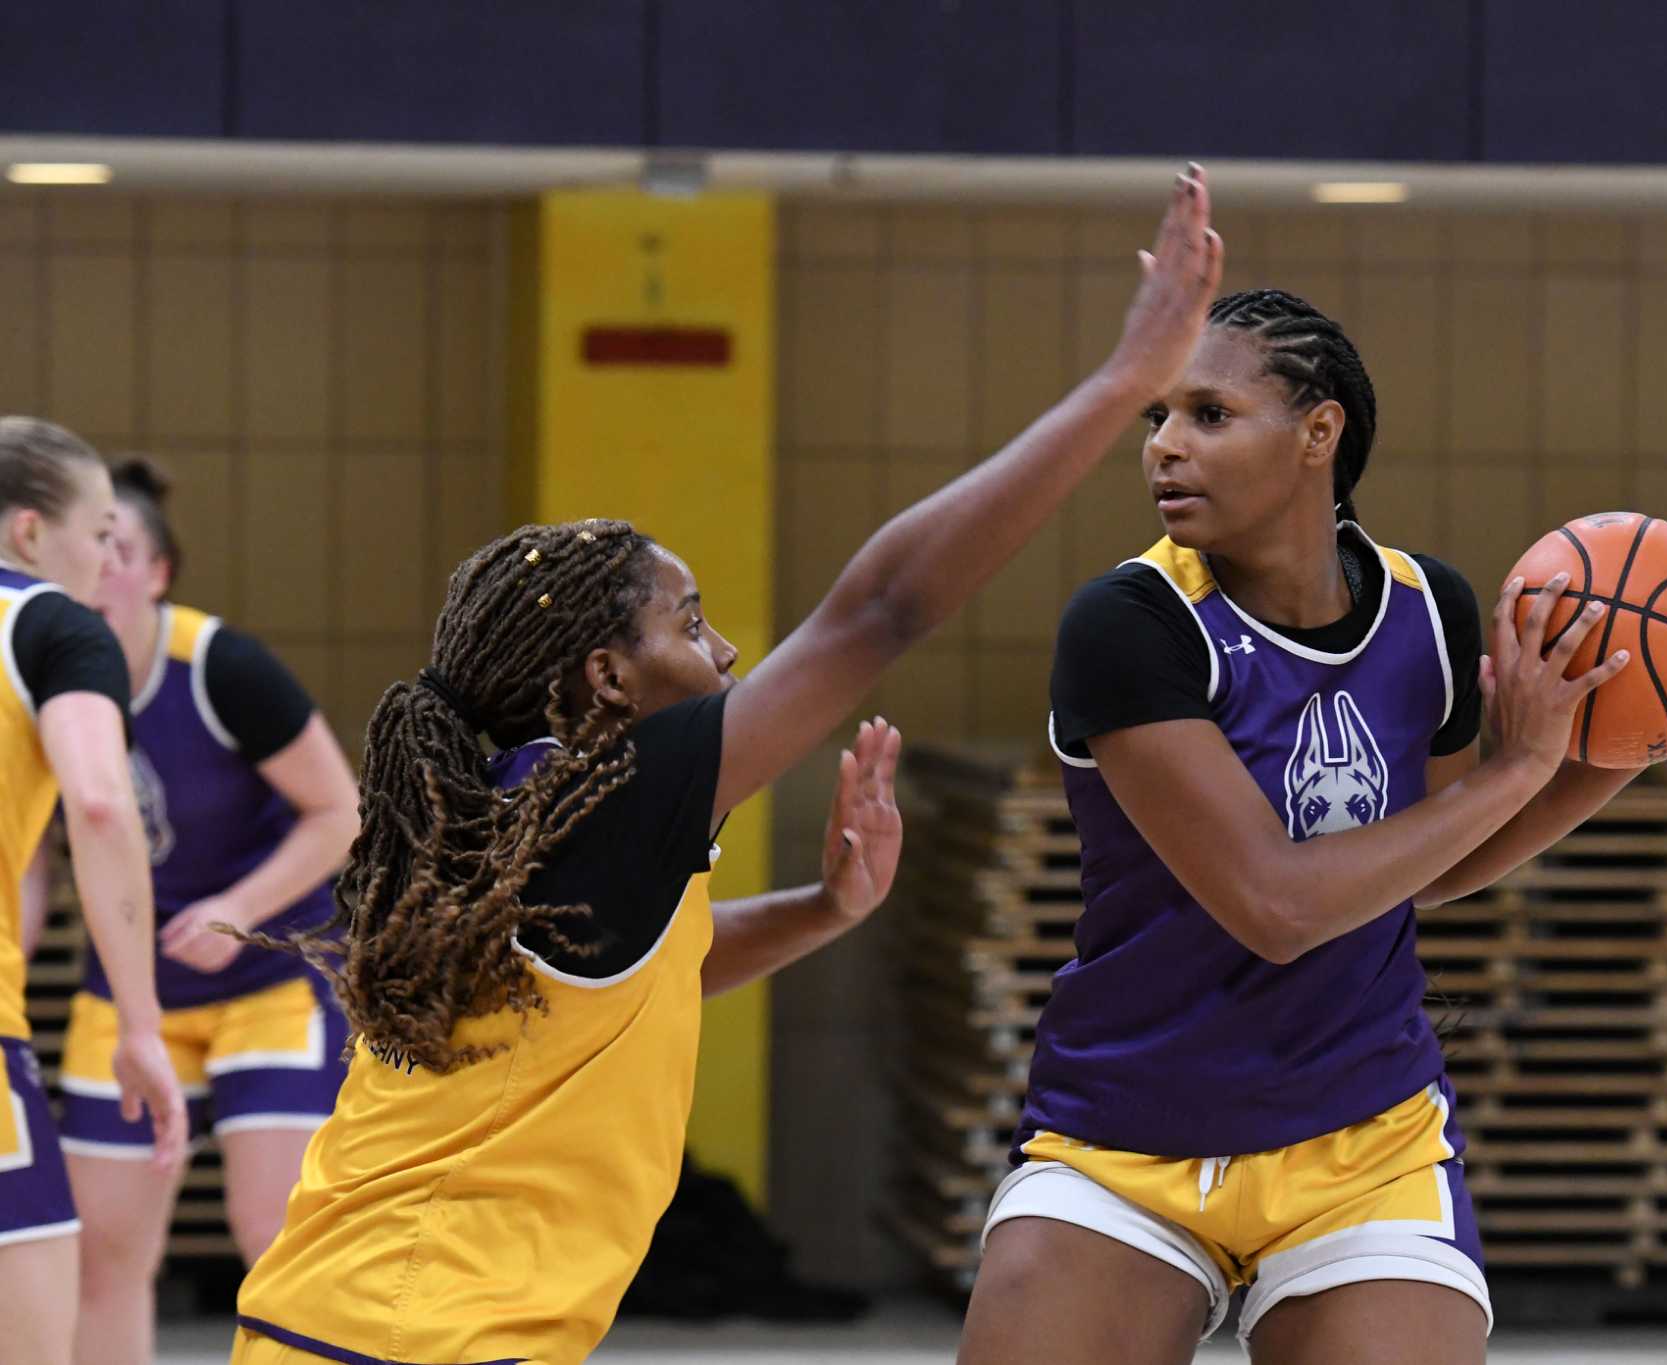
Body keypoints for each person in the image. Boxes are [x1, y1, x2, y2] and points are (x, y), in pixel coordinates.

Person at [226, 165, 1227, 1365]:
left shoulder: (520, 824)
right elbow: (882, 610)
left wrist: (821, 909)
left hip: (342, 1323)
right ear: (607, 678)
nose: (729, 649)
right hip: (419, 1336)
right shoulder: (608, 798)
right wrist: (1124, 382)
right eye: (689, 623)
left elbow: (634, 990)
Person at [957, 289, 1667, 1365]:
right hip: (1123, 1136)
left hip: (1361, 1140)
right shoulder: (1130, 625)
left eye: (1206, 414)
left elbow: (1431, 863)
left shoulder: (1430, 610)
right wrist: (1524, 763)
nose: (1163, 448)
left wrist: (1623, 741)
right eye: (1157, 418)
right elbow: (1275, 905)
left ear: (1317, 432)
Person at [39, 458, 360, 1365]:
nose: (100, 568)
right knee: (104, 1255)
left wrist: (236, 909)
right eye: (88, 547)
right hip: (128, 987)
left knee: (277, 1232)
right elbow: (26, 858)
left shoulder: (222, 665)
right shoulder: (37, 677)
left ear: (158, 572)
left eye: (120, 548)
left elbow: (342, 812)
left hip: (269, 975)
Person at [0, 417, 186, 1365]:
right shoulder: (50, 625)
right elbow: (104, 807)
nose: (112, 555)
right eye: (103, 530)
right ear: (31, 533)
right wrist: (141, 1025)